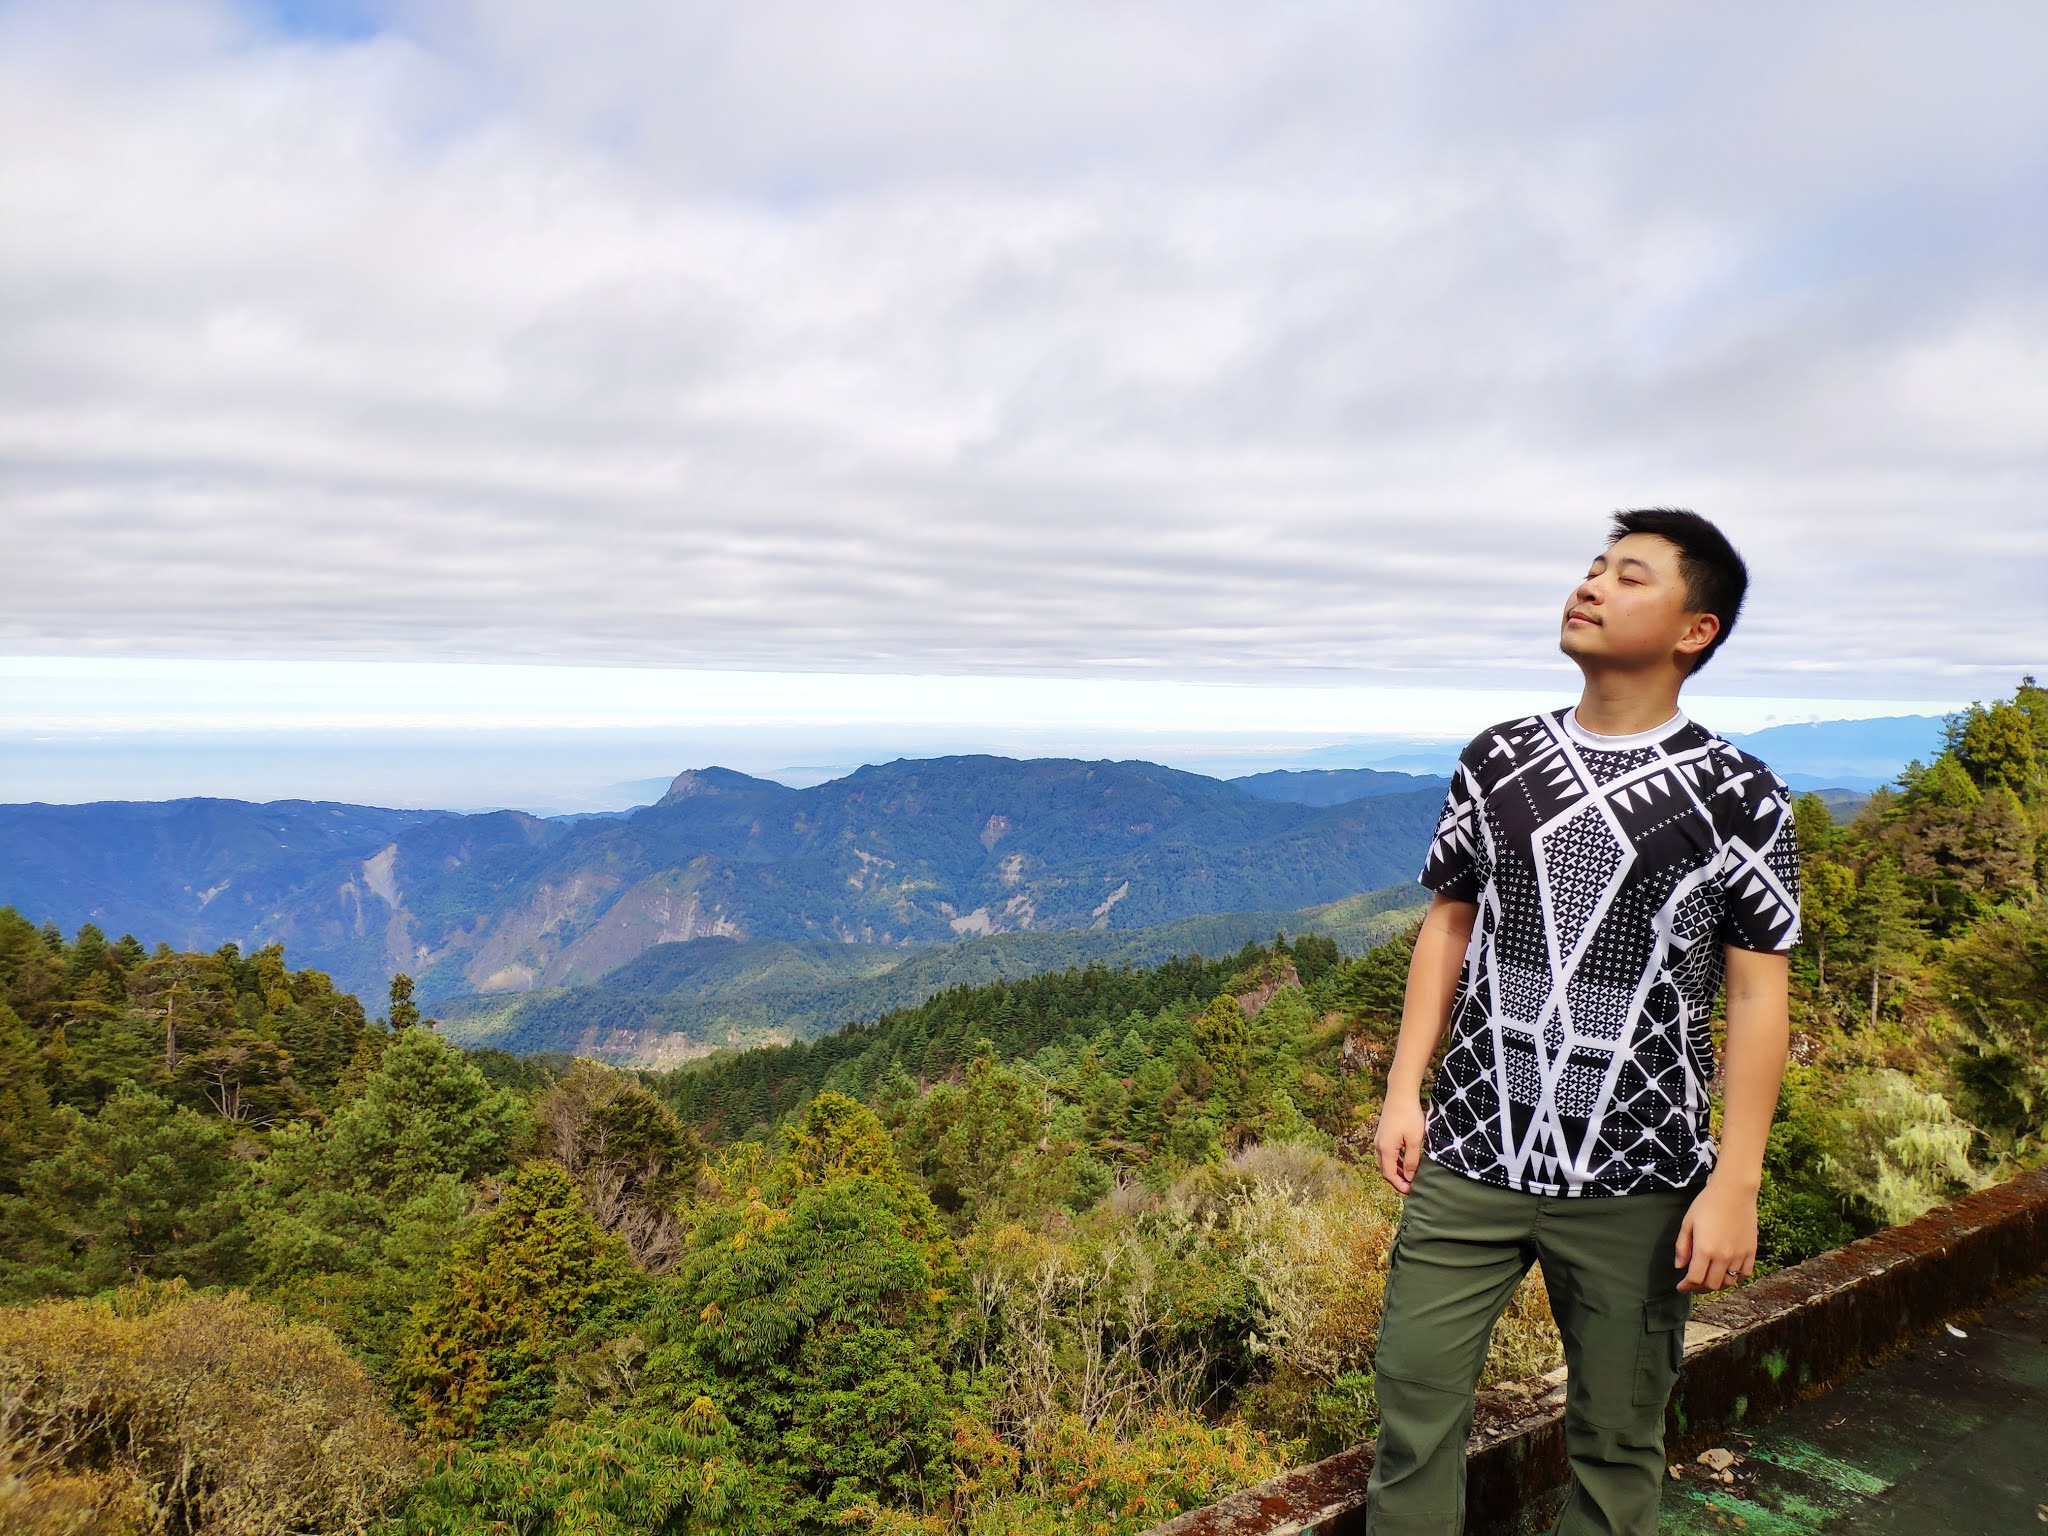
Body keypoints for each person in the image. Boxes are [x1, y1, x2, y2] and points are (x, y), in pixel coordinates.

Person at [1362, 508, 1802, 1535]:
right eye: (1593, 567)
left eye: (1629, 576)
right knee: (1412, 1418)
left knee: (1616, 1441)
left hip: (1640, 1175)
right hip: (1471, 1151)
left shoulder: (1741, 793)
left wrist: (1734, 1181)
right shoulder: (1498, 758)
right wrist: (1401, 1090)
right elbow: (1448, 923)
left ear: (1694, 629)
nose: (1590, 584)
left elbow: (1756, 995)